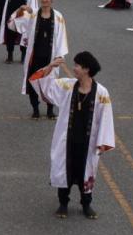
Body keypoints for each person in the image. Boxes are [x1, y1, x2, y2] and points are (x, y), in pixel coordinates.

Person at [29, 51, 115, 219]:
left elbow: (106, 118)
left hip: (87, 141)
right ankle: (63, 203)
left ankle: (86, 203)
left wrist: (102, 142)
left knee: (86, 171)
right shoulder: (68, 86)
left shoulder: (102, 93)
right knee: (65, 170)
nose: (74, 68)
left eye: (77, 65)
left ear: (86, 69)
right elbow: (43, 84)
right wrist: (51, 66)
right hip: (67, 139)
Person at [9, 0, 69, 119]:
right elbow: (14, 24)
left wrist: (59, 55)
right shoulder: (33, 14)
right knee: (33, 81)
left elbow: (61, 36)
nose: (44, 0)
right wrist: (21, 10)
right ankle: (35, 109)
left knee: (50, 83)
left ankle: (50, 110)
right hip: (34, 56)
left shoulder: (58, 17)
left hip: (50, 56)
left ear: (51, 0)